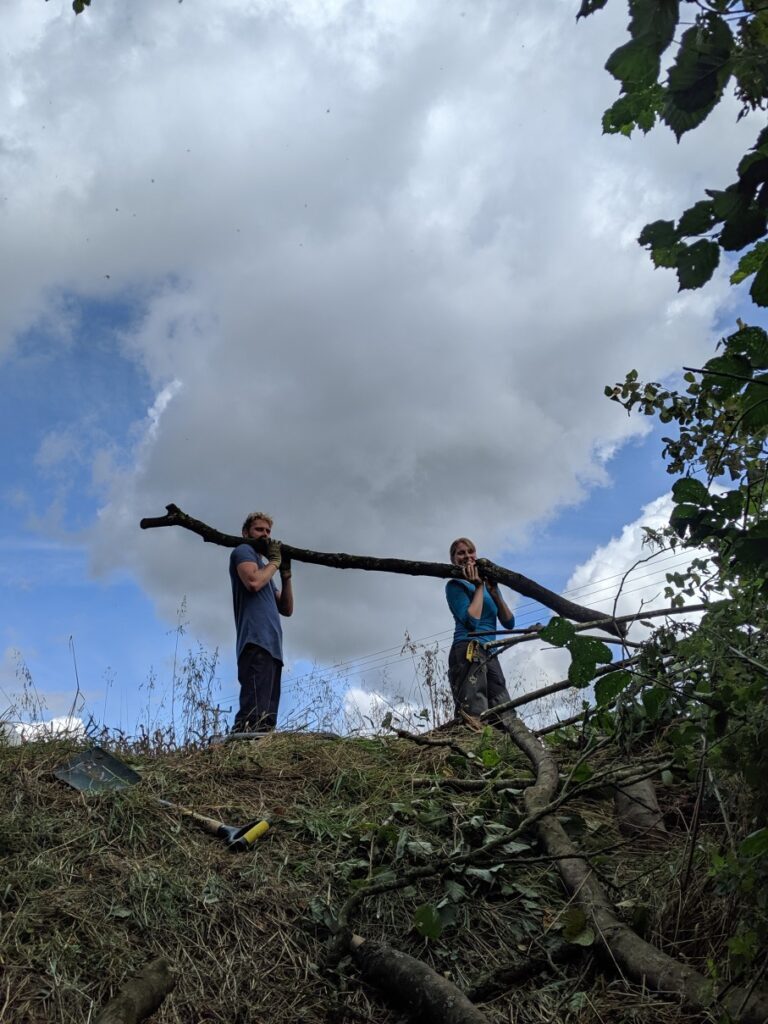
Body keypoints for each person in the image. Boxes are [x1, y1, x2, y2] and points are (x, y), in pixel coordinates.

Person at [229, 511, 294, 733]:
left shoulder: (265, 569)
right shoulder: (243, 551)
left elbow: (286, 609)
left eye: (268, 531)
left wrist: (285, 575)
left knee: (266, 719)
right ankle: (237, 756)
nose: (265, 535)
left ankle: (257, 759)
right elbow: (254, 582)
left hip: (272, 648)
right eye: (259, 530)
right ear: (246, 532)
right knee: (253, 713)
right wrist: (275, 562)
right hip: (256, 641)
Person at [445, 537, 515, 724]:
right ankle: (472, 746)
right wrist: (477, 587)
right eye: (461, 553)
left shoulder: (486, 585)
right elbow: (471, 622)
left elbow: (509, 622)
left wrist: (493, 593)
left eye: (470, 551)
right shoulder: (455, 585)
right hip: (468, 648)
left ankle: (510, 745)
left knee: (503, 708)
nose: (467, 556)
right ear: (453, 559)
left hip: (490, 651)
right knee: (474, 709)